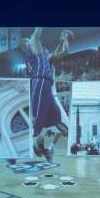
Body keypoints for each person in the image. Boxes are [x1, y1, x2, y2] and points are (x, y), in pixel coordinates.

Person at [21, 28, 73, 163]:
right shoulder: (39, 56)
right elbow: (58, 53)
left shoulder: (44, 58)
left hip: (48, 90)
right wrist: (63, 40)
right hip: (46, 89)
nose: (43, 47)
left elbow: (62, 52)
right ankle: (38, 142)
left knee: (54, 120)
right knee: (59, 124)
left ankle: (44, 144)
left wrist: (63, 40)